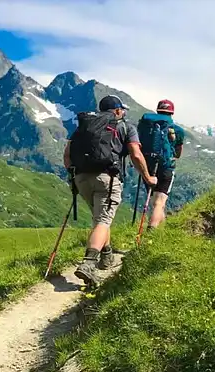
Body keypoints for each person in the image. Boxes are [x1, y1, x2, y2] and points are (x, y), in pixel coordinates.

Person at [64, 94, 157, 288]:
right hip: (108, 178)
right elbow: (136, 154)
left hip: (81, 178)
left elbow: (67, 154)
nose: (123, 112)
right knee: (103, 221)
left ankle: (106, 256)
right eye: (122, 109)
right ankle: (89, 263)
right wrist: (148, 177)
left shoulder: (85, 125)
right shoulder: (125, 126)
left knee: (99, 219)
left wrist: (74, 175)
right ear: (117, 110)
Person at [136, 99, 185, 231]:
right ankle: (151, 231)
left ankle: (160, 231)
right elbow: (178, 154)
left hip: (147, 166)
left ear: (158, 110)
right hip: (165, 166)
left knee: (154, 200)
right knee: (160, 202)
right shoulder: (177, 130)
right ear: (172, 112)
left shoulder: (146, 125)